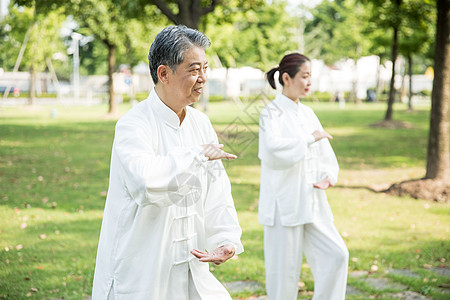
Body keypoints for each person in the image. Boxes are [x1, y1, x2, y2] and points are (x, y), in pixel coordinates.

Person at [92, 25, 244, 300]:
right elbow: (146, 184)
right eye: (194, 69)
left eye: (205, 68)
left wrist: (226, 239)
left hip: (190, 266)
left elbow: (217, 192)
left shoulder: (201, 123)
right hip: (143, 270)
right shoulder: (133, 124)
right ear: (164, 73)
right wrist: (196, 155)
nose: (203, 78)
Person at [258, 53, 348, 300]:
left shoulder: (307, 112)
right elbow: (273, 152)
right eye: (305, 76)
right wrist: (309, 139)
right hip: (283, 205)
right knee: (283, 276)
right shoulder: (270, 113)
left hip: (311, 199)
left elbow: (324, 150)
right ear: (286, 78)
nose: (309, 82)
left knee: (337, 255)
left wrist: (328, 175)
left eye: (311, 77)